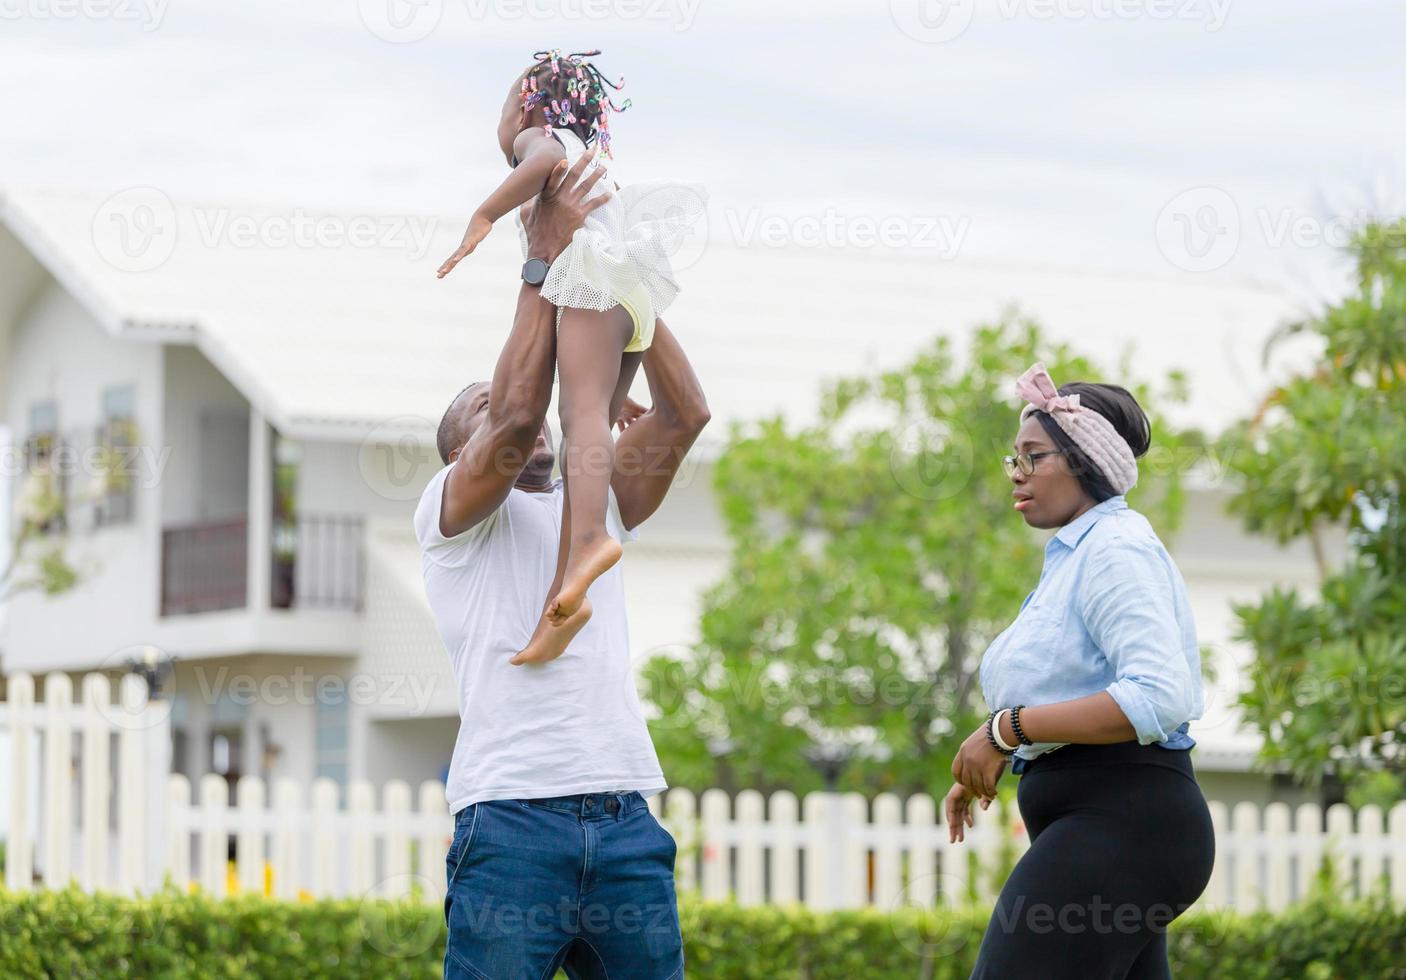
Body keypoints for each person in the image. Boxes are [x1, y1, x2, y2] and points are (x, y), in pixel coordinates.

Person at [416, 150, 710, 979]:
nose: (520, 416)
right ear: (455, 454)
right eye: (475, 407)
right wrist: (544, 262)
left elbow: (687, 413)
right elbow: (512, 419)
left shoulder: (601, 501)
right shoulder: (450, 519)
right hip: (510, 827)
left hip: (626, 819)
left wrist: (621, 275)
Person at [948, 362, 1215, 979]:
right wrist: (991, 752)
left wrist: (1004, 732)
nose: (1017, 474)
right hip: (1114, 830)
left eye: (1034, 457)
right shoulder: (1074, 554)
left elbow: (1156, 695)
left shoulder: (1115, 549)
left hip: (1125, 825)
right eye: (1013, 458)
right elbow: (1067, 686)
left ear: (1085, 461)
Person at [437, 48, 705, 664]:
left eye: (506, 109)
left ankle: (586, 542)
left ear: (529, 106)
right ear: (458, 457)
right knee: (595, 423)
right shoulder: (591, 164)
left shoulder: (542, 138)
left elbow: (544, 162)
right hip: (627, 291)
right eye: (482, 406)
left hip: (598, 285)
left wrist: (484, 215)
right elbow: (520, 408)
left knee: (581, 414)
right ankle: (569, 586)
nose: (504, 126)